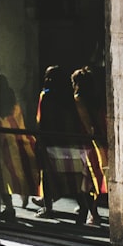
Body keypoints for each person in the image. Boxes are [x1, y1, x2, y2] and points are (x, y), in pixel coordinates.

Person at [33, 64, 80, 218]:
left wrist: (40, 139)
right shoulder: (69, 96)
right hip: (66, 139)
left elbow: (41, 120)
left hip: (49, 140)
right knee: (72, 173)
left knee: (47, 174)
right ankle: (83, 207)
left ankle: (48, 208)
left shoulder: (45, 95)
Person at [0, 73, 40, 219]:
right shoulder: (14, 105)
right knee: (19, 171)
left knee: (3, 176)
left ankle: (9, 207)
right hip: (18, 140)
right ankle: (24, 194)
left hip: (3, 143)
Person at [71, 66, 107, 226]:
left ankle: (93, 213)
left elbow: (87, 123)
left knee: (87, 179)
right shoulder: (96, 98)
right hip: (99, 141)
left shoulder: (79, 99)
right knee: (96, 177)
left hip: (86, 142)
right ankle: (92, 210)